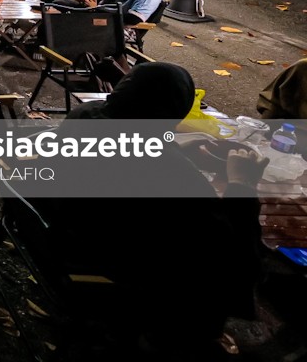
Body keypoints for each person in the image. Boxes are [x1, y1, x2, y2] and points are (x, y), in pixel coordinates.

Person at [43, 62, 264, 355]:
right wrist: (242, 184)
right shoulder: (170, 174)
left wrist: (174, 144)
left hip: (75, 230)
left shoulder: (84, 117)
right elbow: (225, 245)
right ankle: (183, 337)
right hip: (116, 265)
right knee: (219, 264)